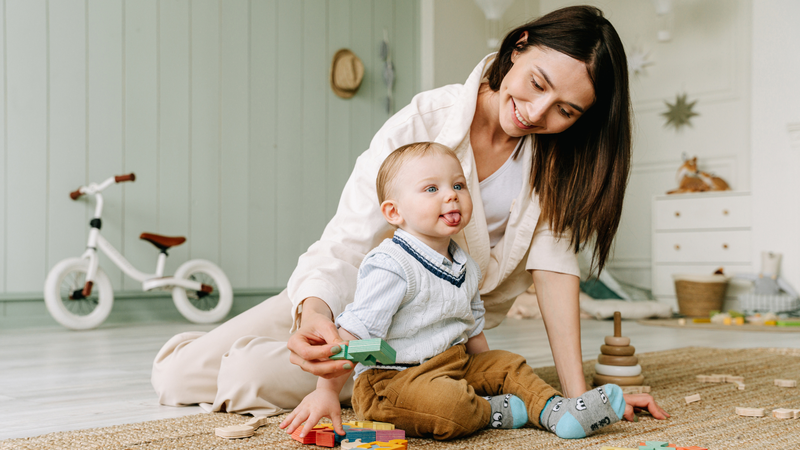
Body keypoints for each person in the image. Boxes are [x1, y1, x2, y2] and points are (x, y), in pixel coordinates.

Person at [151, 5, 668, 423]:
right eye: (537, 83)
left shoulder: (557, 165)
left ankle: (394, 383)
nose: (537, 112)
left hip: (427, 338)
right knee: (174, 377)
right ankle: (260, 344)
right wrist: (313, 314)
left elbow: (555, 273)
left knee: (245, 375)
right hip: (354, 295)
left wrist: (578, 398)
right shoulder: (426, 120)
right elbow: (347, 241)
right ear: (519, 46)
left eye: (565, 110)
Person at [279, 142, 627, 440]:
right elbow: (355, 336)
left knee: (510, 364)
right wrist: (325, 391)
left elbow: (472, 327)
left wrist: (490, 374)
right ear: (394, 211)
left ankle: (558, 412)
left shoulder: (465, 264)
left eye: (459, 185)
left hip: (452, 364)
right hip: (391, 383)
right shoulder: (391, 264)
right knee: (450, 404)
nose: (451, 195)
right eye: (432, 189)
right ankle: (490, 411)